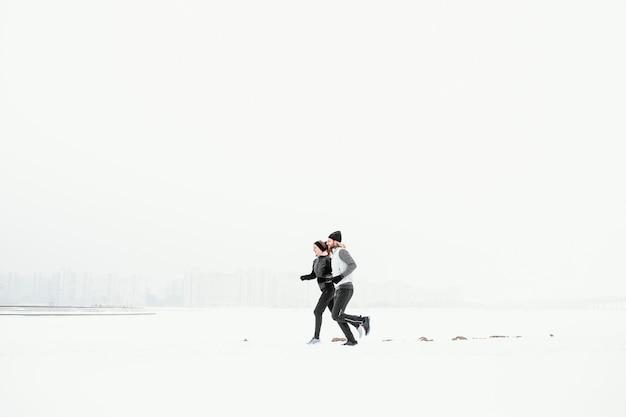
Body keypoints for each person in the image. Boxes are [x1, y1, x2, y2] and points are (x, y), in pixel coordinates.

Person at [326, 230, 370, 346]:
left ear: (335, 242)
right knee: (338, 316)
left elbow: (353, 265)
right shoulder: (334, 255)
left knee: (336, 315)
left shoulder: (341, 251)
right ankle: (351, 340)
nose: (327, 243)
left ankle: (361, 320)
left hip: (346, 288)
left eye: (329, 241)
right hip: (339, 288)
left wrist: (340, 277)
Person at [300, 240, 335, 344]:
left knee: (317, 312)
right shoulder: (315, 261)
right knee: (336, 315)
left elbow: (333, 274)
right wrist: (304, 277)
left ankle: (316, 338)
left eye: (315, 247)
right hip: (324, 290)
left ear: (321, 248)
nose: (313, 250)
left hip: (329, 289)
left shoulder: (328, 260)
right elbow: (313, 275)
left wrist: (326, 279)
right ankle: (358, 324)